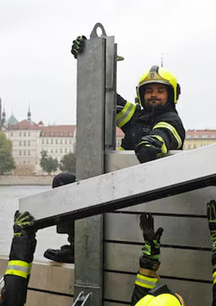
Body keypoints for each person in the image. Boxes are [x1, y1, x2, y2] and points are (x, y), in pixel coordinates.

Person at [43, 36, 186, 264]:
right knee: (63, 182)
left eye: (160, 90)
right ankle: (76, 245)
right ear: (141, 94)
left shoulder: (172, 120)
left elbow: (164, 134)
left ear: (171, 95)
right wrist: (87, 59)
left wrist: (152, 144)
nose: (154, 95)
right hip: (118, 187)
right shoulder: (135, 117)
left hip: (149, 195)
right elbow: (106, 97)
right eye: (149, 91)